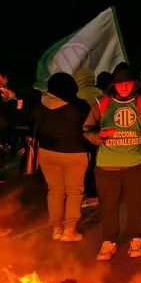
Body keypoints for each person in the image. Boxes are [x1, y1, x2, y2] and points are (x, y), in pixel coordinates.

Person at [83, 62, 141, 260]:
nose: (124, 87)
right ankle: (108, 241)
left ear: (134, 83)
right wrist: (99, 137)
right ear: (114, 85)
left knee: (136, 204)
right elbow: (87, 130)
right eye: (120, 84)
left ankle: (137, 238)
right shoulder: (102, 104)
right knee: (109, 205)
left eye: (127, 83)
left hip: (136, 164)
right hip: (106, 166)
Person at [35, 73, 91, 241]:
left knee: (55, 190)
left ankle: (56, 228)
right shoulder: (79, 106)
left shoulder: (40, 104)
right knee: (74, 192)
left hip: (47, 153)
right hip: (75, 153)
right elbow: (89, 128)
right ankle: (69, 230)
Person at [73, 67, 104, 208]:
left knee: (87, 167)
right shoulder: (101, 94)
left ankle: (92, 195)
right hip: (102, 133)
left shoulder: (78, 96)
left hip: (86, 135)